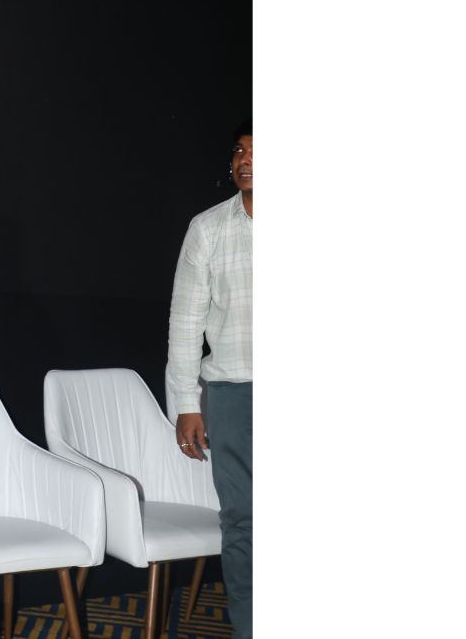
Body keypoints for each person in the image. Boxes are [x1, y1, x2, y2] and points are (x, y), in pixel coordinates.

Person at [166, 120, 253, 638]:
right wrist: (186, 403)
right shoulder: (208, 229)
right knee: (243, 523)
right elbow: (185, 322)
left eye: (258, 151)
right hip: (231, 394)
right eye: (239, 151)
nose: (245, 160)